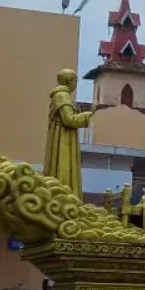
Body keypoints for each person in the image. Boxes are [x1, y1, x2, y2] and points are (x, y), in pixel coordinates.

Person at [43, 69, 96, 200]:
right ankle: (63, 197)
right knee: (64, 169)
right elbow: (69, 120)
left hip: (63, 136)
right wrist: (89, 114)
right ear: (68, 81)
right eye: (75, 82)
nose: (76, 85)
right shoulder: (63, 96)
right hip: (62, 138)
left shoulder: (62, 95)